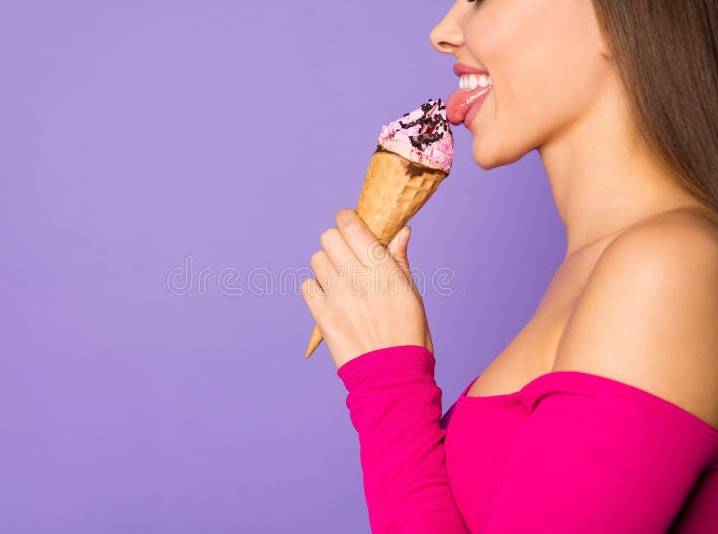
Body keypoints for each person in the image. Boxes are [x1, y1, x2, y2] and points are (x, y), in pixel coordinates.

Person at [300, 1, 718, 532]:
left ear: (616, 18)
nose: (443, 33)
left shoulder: (668, 269)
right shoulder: (604, 270)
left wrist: (389, 382)